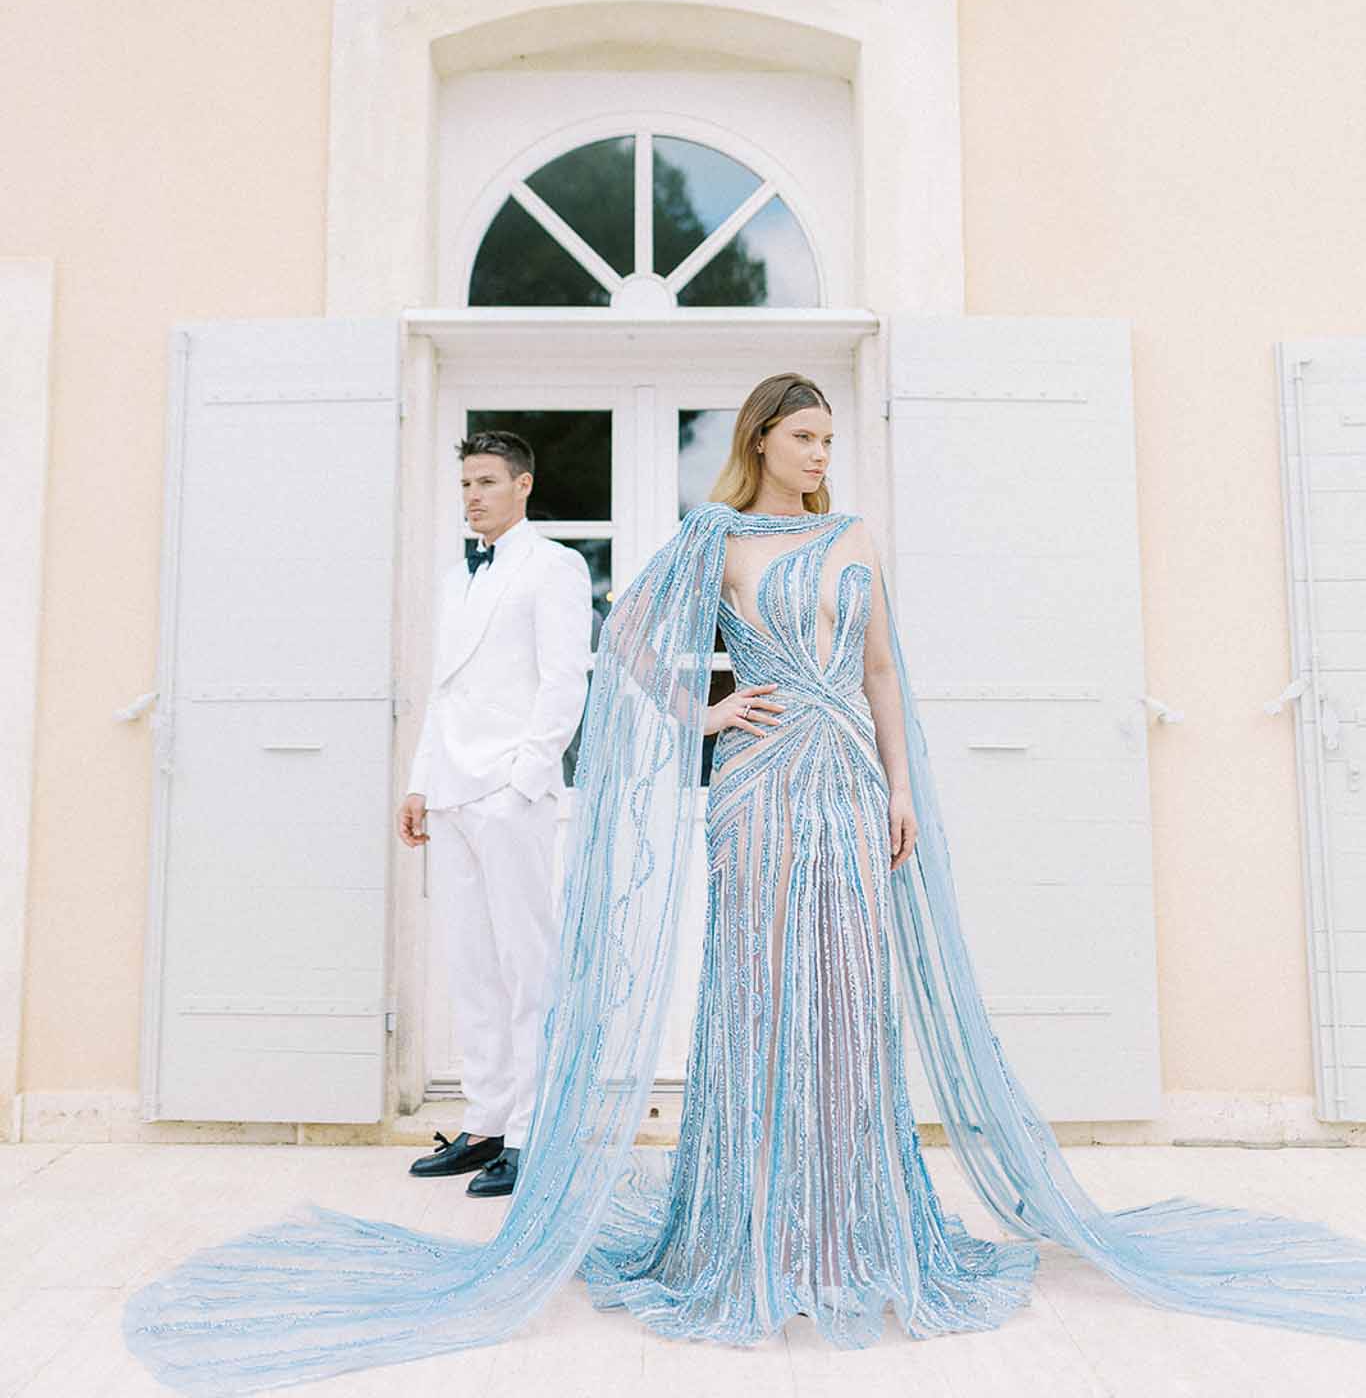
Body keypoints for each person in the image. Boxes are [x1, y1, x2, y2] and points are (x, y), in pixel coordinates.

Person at [124, 374, 1366, 1393]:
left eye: (831, 436)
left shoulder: (853, 537)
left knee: (847, 995)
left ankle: (854, 1220)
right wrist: (711, 702)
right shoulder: (716, 539)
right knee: (760, 992)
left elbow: (881, 669)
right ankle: (749, 1222)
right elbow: (627, 649)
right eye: (806, 434)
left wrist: (899, 786)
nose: (825, 453)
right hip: (759, 787)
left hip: (843, 784)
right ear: (761, 439)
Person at [399, 429, 593, 1198]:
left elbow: (562, 683)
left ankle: (533, 1131)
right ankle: (484, 1124)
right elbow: (444, 689)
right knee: (473, 967)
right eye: (466, 484)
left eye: (485, 481)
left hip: (510, 794)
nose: (473, 496)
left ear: (522, 484)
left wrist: (523, 781)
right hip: (450, 791)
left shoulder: (556, 567)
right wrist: (420, 781)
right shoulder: (456, 579)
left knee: (527, 965)